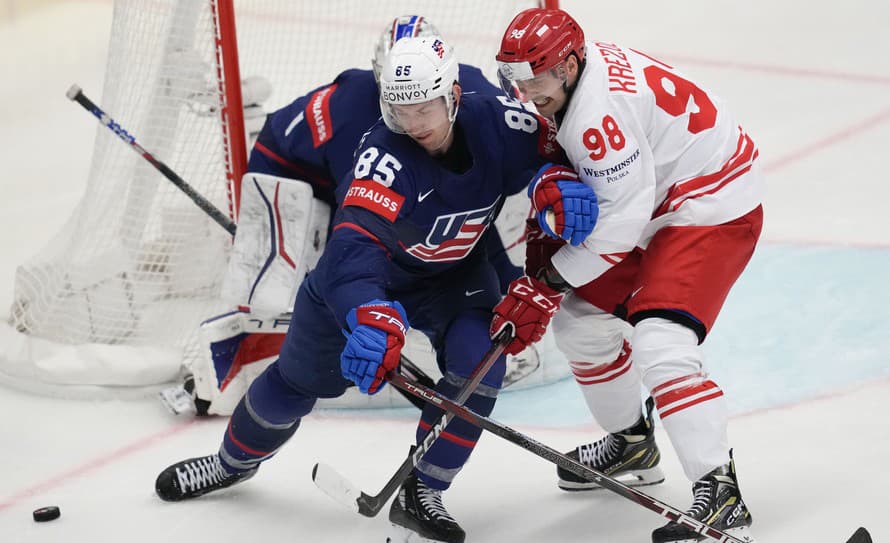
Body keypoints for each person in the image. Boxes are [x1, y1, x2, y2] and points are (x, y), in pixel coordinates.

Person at [155, 34, 583, 543]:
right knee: (293, 386)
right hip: (364, 283)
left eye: (425, 107)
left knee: (479, 366)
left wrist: (553, 180)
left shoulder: (497, 119)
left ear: (452, 95)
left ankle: (422, 492)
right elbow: (354, 251)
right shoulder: (383, 156)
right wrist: (370, 313)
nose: (414, 123)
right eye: (401, 110)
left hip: (455, 275)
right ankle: (232, 462)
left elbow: (553, 149)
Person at [491, 7, 764, 543]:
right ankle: (632, 442)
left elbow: (617, 228)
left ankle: (721, 491)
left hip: (712, 205)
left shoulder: (597, 114)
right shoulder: (574, 81)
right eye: (515, 77)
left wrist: (543, 285)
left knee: (662, 340)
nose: (525, 91)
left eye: (535, 77)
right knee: (581, 323)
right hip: (663, 201)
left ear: (569, 66)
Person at [249, 14, 521, 292]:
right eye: (396, 91)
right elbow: (364, 220)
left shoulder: (474, 88)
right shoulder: (349, 110)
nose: (408, 103)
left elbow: (516, 132)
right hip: (306, 174)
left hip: (384, 187)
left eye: (423, 97)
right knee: (341, 270)